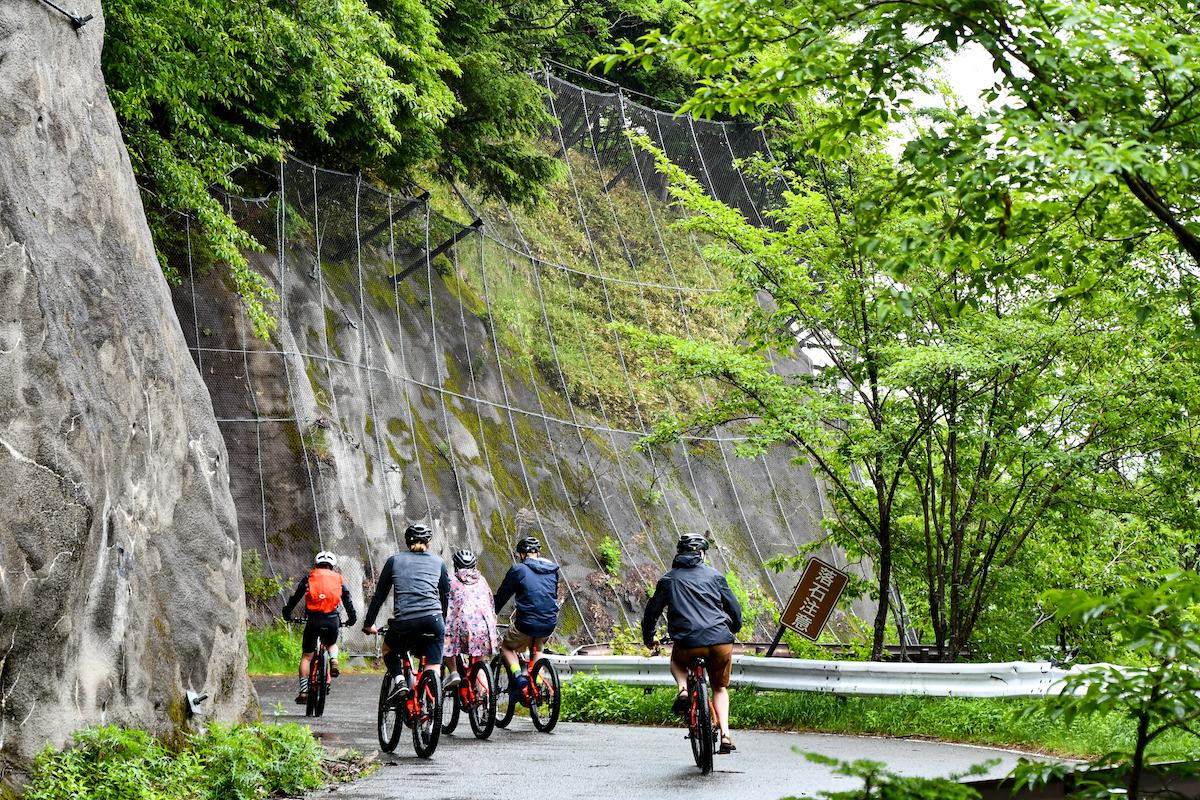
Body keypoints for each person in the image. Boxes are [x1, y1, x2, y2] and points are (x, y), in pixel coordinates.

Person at [642, 533, 743, 754]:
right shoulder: (716, 576)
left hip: (687, 644)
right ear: (702, 554)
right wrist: (733, 629)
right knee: (719, 687)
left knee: (677, 662)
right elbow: (734, 608)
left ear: (680, 554)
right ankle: (725, 735)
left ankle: (683, 690)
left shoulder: (669, 579)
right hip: (720, 642)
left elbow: (651, 612)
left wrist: (649, 637)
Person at [362, 524, 450, 697]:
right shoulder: (439, 562)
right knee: (433, 666)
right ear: (429, 543)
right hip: (435, 621)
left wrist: (368, 624)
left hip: (406, 622)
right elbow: (445, 595)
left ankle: (400, 681)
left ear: (406, 541)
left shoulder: (394, 561)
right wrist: (444, 622)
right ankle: (433, 710)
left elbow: (379, 596)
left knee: (388, 649)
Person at [282, 550, 357, 705]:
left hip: (314, 620)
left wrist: (287, 613)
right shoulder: (339, 579)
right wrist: (351, 618)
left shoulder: (309, 577)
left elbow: (295, 598)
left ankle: (303, 692)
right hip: (332, 620)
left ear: (316, 564)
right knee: (331, 643)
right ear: (332, 566)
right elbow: (347, 600)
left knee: (307, 657)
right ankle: (334, 660)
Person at [493, 536, 559, 695]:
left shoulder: (519, 570)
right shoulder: (552, 569)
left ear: (522, 554)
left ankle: (517, 676)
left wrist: (491, 613)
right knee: (538, 648)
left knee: (507, 646)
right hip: (550, 621)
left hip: (526, 622)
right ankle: (537, 683)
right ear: (538, 553)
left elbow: (503, 595)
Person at [441, 548, 500, 688]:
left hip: (462, 626)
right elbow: (491, 603)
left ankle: (454, 672)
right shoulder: (482, 581)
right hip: (484, 627)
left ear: (456, 565)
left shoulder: (451, 580)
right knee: (480, 664)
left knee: (446, 645)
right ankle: (485, 698)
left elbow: (445, 603)